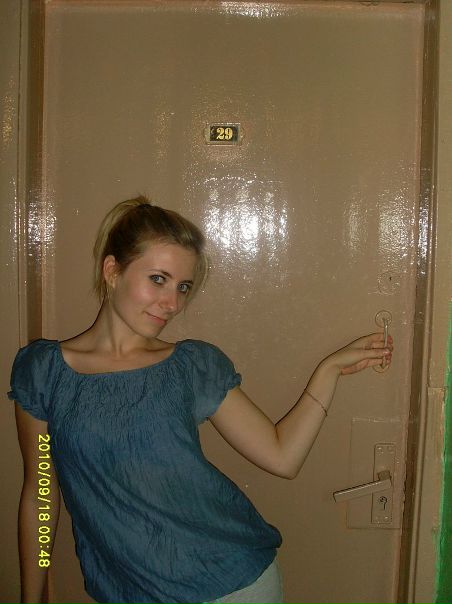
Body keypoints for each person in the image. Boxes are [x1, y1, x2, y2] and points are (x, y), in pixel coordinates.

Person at [8, 196, 393, 604]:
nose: (172, 303)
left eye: (183, 287)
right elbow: (42, 492)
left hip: (233, 584)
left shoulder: (192, 367)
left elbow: (283, 457)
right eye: (158, 279)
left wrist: (328, 370)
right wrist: (32, 597)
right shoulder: (44, 373)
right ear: (112, 271)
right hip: (129, 592)